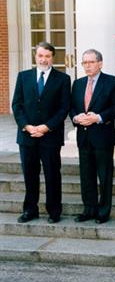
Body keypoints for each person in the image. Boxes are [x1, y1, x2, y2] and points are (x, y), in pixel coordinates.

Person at [12, 41, 71, 224]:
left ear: (53, 57)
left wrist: (47, 127)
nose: (43, 59)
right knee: (30, 174)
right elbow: (17, 105)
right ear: (35, 56)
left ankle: (54, 211)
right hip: (27, 136)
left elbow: (64, 108)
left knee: (52, 174)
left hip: (50, 136)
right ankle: (30, 210)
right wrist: (27, 126)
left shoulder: (62, 79)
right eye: (40, 56)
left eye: (47, 56)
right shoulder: (23, 77)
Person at [70, 49, 115, 224]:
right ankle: (89, 209)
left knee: (104, 176)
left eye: (91, 62)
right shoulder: (77, 84)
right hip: (83, 137)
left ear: (100, 63)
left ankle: (103, 211)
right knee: (86, 176)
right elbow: (72, 107)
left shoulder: (112, 82)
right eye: (84, 62)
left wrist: (98, 117)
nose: (87, 66)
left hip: (103, 137)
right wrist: (76, 117)